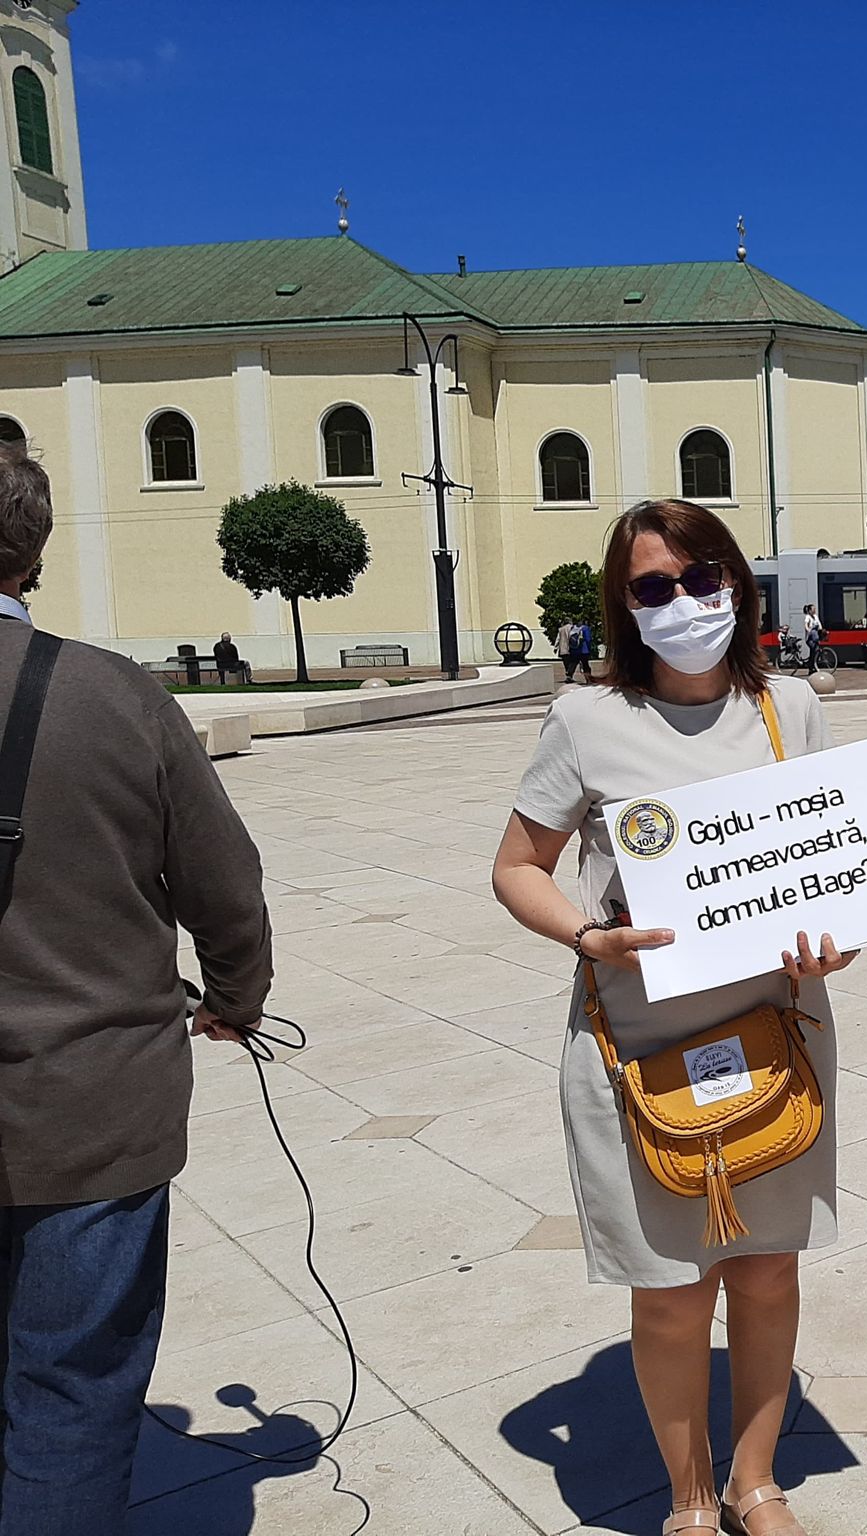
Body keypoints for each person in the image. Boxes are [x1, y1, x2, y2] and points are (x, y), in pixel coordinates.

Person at [492, 499, 854, 1536]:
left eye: (702, 580)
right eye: (654, 587)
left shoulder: (791, 707)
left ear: (737, 585)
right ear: (623, 606)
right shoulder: (586, 720)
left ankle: (755, 1482)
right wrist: (583, 934)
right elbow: (518, 866)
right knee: (668, 1291)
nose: (684, 602)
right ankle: (688, 1495)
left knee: (769, 1272)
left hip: (777, 1033)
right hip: (635, 1045)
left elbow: (839, 876)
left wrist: (840, 940)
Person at [0, 440, 275, 1530]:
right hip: (90, 1103)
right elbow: (226, 886)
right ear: (34, 548)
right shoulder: (115, 696)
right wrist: (234, 996)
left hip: (84, 1105)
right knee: (68, 1392)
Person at [555, 617, 592, 683]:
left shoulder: (573, 628)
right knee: (585, 664)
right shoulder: (585, 628)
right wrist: (589, 648)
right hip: (583, 649)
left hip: (574, 650)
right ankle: (588, 678)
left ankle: (569, 676)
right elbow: (588, 639)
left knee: (573, 663)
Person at [800, 602, 823, 675]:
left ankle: (811, 666)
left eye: (815, 609)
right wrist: (808, 629)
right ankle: (811, 667)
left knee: (814, 651)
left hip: (815, 636)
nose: (814, 610)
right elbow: (806, 625)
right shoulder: (807, 617)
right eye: (813, 609)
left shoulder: (815, 616)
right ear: (809, 610)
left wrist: (821, 629)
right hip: (809, 638)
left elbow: (819, 624)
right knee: (814, 650)